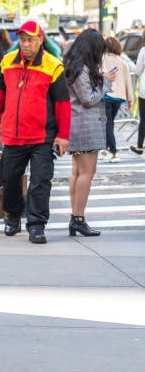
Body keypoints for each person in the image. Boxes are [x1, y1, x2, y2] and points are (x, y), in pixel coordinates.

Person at [0, 20, 71, 244]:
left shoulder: (53, 66)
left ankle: (36, 225)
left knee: (40, 182)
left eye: (30, 40)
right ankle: (13, 216)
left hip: (42, 136)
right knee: (9, 178)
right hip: (13, 135)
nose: (25, 44)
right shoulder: (7, 61)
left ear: (40, 40)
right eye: (22, 40)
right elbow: (1, 89)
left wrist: (63, 135)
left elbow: (63, 103)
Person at [64, 29, 116, 237]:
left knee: (77, 173)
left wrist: (101, 78)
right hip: (85, 125)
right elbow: (88, 99)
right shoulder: (82, 68)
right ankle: (78, 218)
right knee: (86, 173)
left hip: (77, 125)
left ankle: (76, 217)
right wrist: (105, 82)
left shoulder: (74, 66)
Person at [101, 36, 133, 162]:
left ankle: (112, 151)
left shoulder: (101, 59)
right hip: (119, 97)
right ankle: (107, 150)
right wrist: (130, 100)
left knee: (107, 123)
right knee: (110, 123)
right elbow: (128, 81)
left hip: (106, 94)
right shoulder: (122, 61)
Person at [129, 35, 145, 157]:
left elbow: (137, 70)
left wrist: (129, 63)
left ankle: (140, 147)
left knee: (143, 120)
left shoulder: (143, 51)